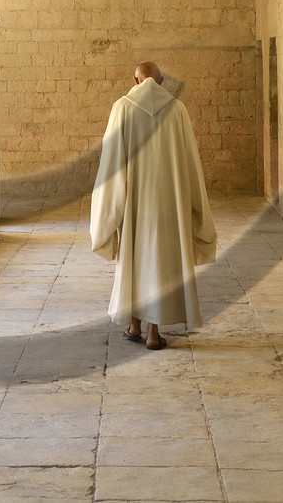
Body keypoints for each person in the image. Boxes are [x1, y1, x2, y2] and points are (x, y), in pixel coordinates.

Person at [90, 62, 216, 350]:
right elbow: (191, 164)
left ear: (135, 80)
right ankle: (152, 332)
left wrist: (108, 209)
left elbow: (110, 165)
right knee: (158, 264)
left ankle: (134, 324)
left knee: (134, 258)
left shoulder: (121, 108)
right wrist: (196, 205)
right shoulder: (177, 110)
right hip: (168, 203)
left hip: (134, 202)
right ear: (159, 82)